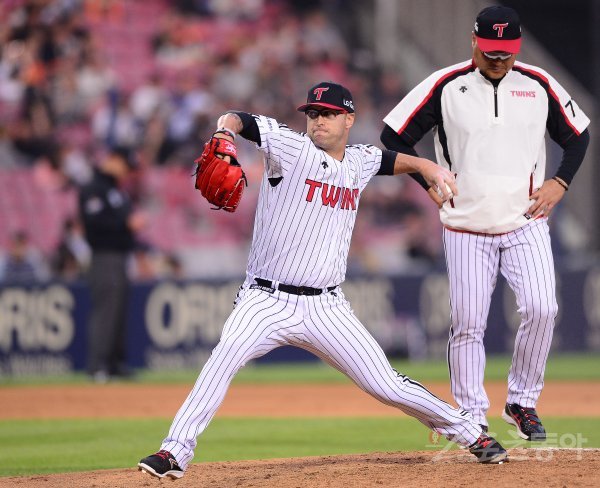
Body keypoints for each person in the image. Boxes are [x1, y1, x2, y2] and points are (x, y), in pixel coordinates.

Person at [137, 81, 508, 480]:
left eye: (329, 113)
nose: (318, 120)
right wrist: (225, 132)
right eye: (313, 113)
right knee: (224, 356)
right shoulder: (291, 148)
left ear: (349, 119)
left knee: (386, 385)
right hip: (266, 299)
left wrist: (426, 166)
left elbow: (387, 160)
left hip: (326, 307)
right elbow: (238, 119)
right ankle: (174, 451)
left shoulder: (360, 161)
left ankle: (471, 433)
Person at [380, 6, 590, 441]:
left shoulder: (538, 83)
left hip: (525, 219)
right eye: (491, 50)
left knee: (542, 308)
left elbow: (578, 135)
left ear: (518, 47)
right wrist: (426, 178)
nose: (498, 59)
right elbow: (393, 136)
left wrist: (561, 182)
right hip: (464, 224)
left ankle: (522, 401)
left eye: (506, 52)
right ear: (473, 41)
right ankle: (472, 417)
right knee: (468, 322)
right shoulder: (445, 84)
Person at [79, 146, 145, 382]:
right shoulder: (93, 188)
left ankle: (115, 364)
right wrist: (125, 224)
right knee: (106, 311)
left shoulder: (116, 190)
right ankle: (98, 366)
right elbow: (94, 224)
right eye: (125, 166)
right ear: (114, 160)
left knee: (118, 311)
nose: (127, 172)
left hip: (120, 256)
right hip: (104, 255)